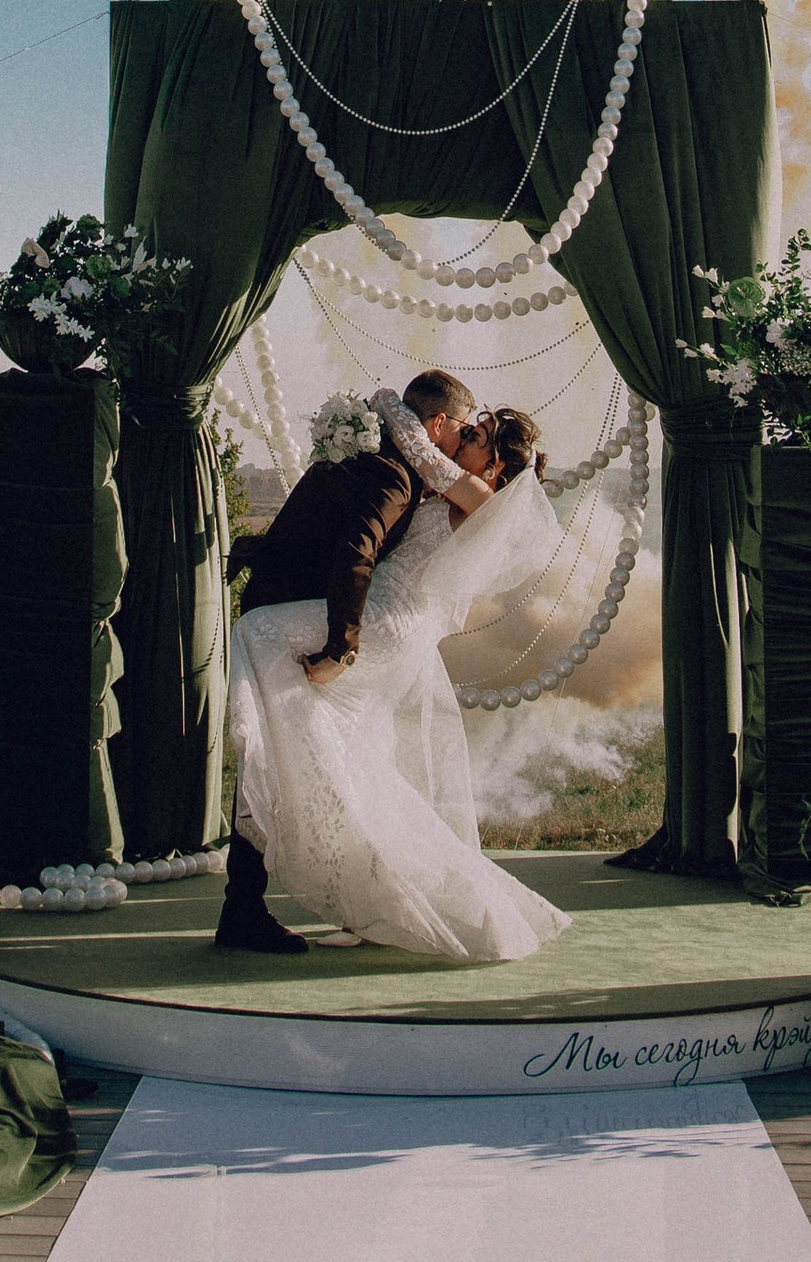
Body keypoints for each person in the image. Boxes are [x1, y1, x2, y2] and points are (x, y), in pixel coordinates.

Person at [223, 394, 572, 966]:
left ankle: (290, 758)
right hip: (387, 616)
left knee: (259, 633)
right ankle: (364, 887)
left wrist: (390, 405)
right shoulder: (450, 490)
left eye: (477, 435)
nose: (466, 438)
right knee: (355, 757)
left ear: (496, 468)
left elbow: (422, 453)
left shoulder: (477, 495)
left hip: (388, 621)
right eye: (469, 427)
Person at [216, 369, 478, 952]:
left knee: (290, 756)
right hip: (295, 626)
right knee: (283, 758)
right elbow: (355, 554)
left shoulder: (371, 455)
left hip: (281, 605)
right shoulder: (391, 477)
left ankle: (260, 903)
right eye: (461, 428)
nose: (463, 441)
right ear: (436, 425)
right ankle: (250, 909)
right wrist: (341, 647)